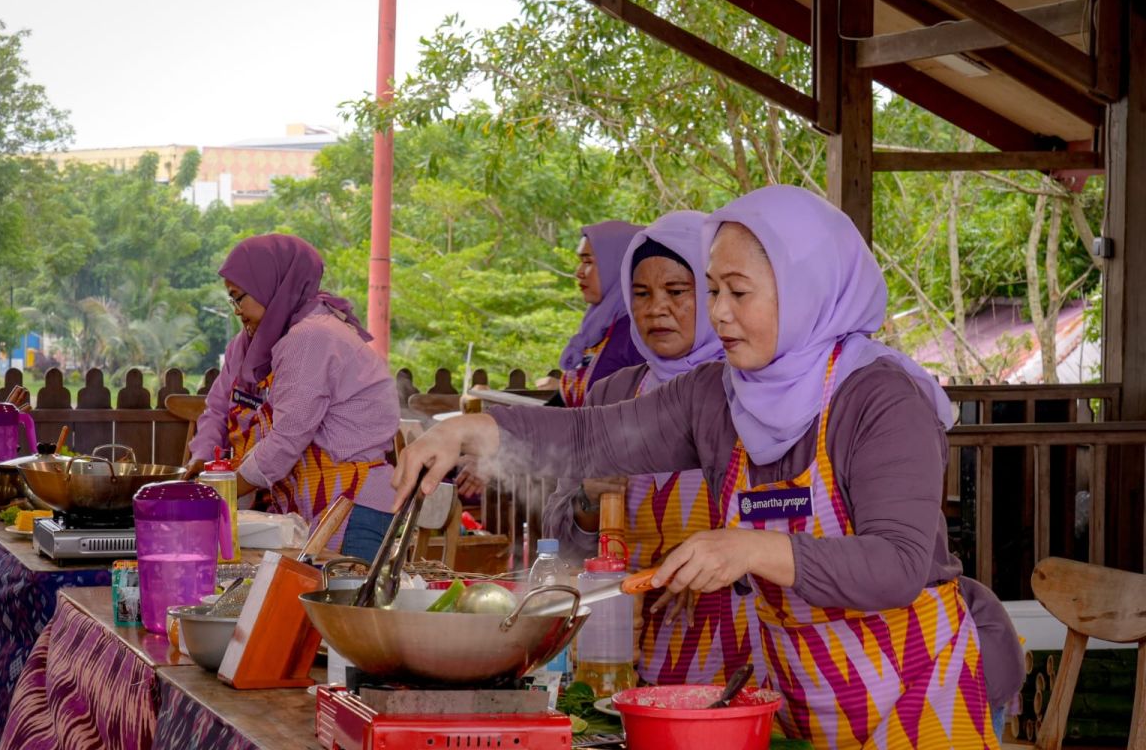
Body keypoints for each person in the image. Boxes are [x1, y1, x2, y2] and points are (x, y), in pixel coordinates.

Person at [394, 187, 1023, 747]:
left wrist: (752, 549)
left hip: (917, 698)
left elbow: (898, 565)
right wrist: (477, 429)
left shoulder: (878, 396)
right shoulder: (719, 392)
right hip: (801, 701)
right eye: (714, 288)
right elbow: (592, 436)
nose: (718, 311)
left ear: (804, 289)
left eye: (738, 292)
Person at [542, 210, 758, 686]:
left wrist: (708, 557)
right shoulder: (613, 393)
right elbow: (561, 536)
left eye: (677, 292)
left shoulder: (752, 393)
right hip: (622, 635)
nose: (656, 308)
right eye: (641, 294)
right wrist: (587, 501)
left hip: (732, 633)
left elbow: (786, 520)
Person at [186, 234, 400, 560]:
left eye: (238, 298)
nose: (237, 311)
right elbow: (218, 407)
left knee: (345, 610)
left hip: (354, 507)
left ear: (271, 285)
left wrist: (218, 491)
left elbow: (286, 441)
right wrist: (202, 461)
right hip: (317, 507)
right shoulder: (253, 344)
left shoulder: (311, 336)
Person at [557, 220, 647, 407]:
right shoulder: (599, 326)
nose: (579, 272)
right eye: (580, 262)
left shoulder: (639, 332)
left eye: (588, 261)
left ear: (618, 264)